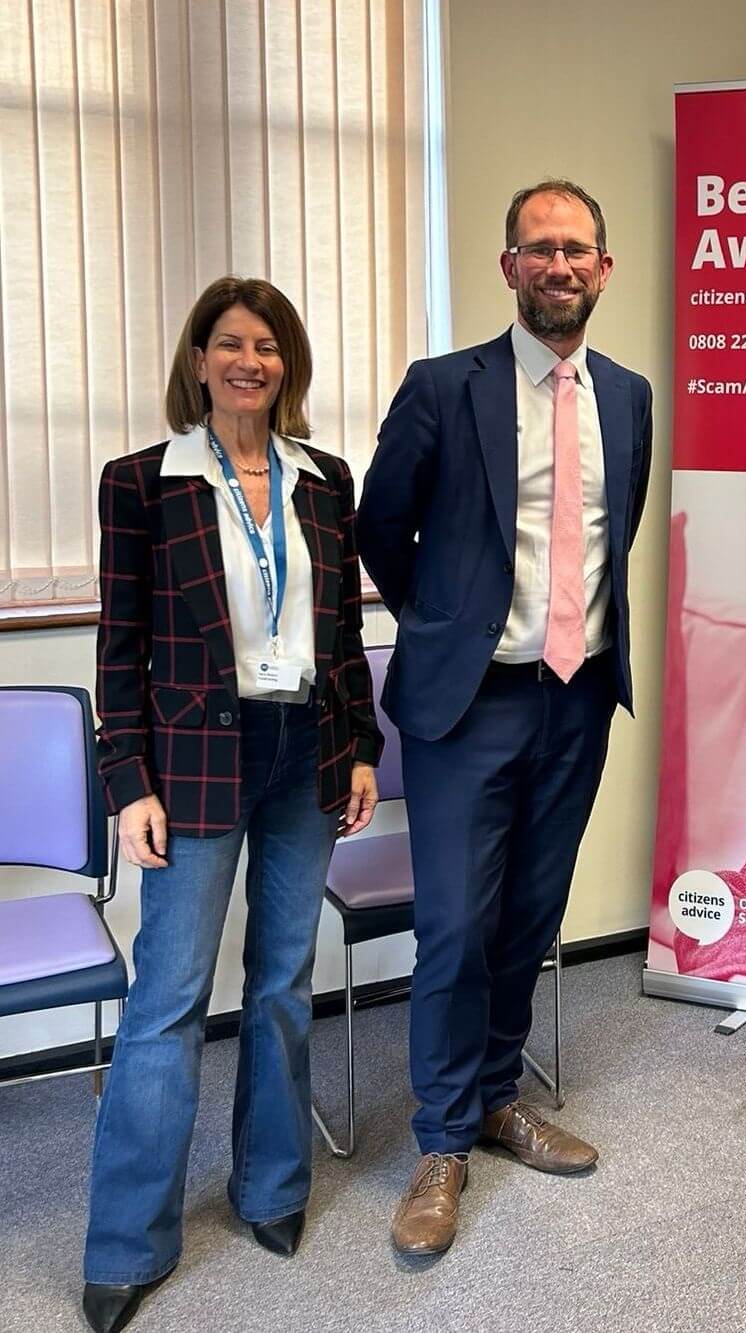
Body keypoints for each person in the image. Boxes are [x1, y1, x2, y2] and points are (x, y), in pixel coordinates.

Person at [358, 178, 652, 1257]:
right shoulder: (445, 386)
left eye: (579, 248)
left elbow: (612, 534)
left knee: (530, 919)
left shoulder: (628, 395)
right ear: (509, 266)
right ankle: (440, 1144)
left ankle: (494, 1094)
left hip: (576, 698)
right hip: (468, 705)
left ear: (604, 270)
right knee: (453, 928)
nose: (561, 264)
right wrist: (446, 625)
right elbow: (383, 527)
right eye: (540, 247)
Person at [84, 277, 382, 1332]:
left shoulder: (323, 480)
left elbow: (342, 632)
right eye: (228, 343)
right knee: (167, 999)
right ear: (199, 358)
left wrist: (359, 749)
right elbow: (118, 650)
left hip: (305, 745)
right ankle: (127, 1245)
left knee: (282, 984)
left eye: (266, 345)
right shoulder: (143, 483)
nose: (248, 360)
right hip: (194, 761)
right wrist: (129, 785)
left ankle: (272, 1190)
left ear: (286, 363)